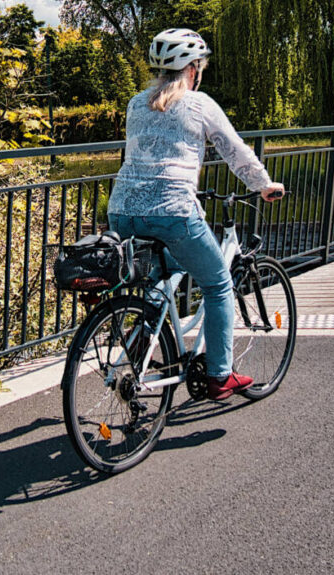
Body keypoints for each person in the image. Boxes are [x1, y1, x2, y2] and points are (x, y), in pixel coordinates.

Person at [106, 28, 285, 401]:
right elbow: (234, 151)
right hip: (173, 212)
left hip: (122, 212)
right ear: (193, 69)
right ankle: (220, 376)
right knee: (218, 284)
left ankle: (141, 349)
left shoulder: (136, 104)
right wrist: (263, 185)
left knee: (162, 271)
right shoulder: (200, 103)